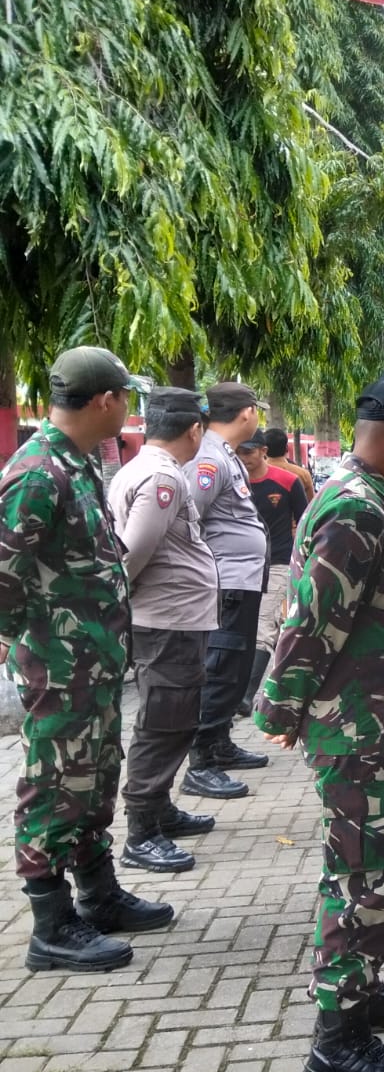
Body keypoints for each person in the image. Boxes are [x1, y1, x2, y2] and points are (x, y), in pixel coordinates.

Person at [255, 372, 384, 1072]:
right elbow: (311, 619)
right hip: (363, 729)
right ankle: (337, 1043)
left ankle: (361, 993)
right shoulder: (357, 509)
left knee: (375, 873)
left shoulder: (370, 499)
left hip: (379, 721)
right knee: (361, 879)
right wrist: (280, 709)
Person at [0, 346, 172, 972]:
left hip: (91, 665)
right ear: (105, 400)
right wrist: (17, 648)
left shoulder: (75, 462)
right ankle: (50, 927)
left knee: (92, 779)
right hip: (59, 666)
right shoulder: (39, 472)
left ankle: (98, 895)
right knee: (53, 785)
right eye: (125, 396)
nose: (128, 408)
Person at [108, 388, 221, 874]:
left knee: (174, 718)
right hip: (166, 621)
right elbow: (132, 553)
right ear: (194, 429)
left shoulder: (144, 468)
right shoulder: (161, 476)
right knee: (163, 723)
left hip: (173, 619)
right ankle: (141, 832)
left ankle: (160, 809)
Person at [184, 381, 270, 798]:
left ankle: (219, 742)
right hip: (226, 582)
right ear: (246, 412)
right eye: (256, 409)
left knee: (235, 668)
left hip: (242, 581)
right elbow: (189, 518)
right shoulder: (208, 459)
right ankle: (201, 760)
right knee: (219, 668)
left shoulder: (225, 454)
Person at [239, 429, 309, 713]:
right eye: (238, 452)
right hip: (239, 565)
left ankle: (246, 696)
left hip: (278, 562)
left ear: (263, 450)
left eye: (248, 452)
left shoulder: (288, 481)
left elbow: (305, 521)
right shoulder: (232, 481)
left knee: (264, 625)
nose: (243, 458)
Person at [264, 428, 315, 501]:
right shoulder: (302, 474)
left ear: (264, 450)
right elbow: (311, 503)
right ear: (287, 448)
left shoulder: (254, 473)